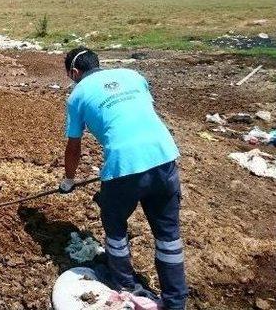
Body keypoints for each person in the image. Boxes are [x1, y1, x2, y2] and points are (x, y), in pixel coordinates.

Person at [59, 47, 188, 309]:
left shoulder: (77, 95)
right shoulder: (132, 75)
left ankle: (126, 285)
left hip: (124, 163)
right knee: (168, 235)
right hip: (164, 156)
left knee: (114, 223)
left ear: (74, 72)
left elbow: (74, 146)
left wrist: (68, 181)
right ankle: (175, 300)